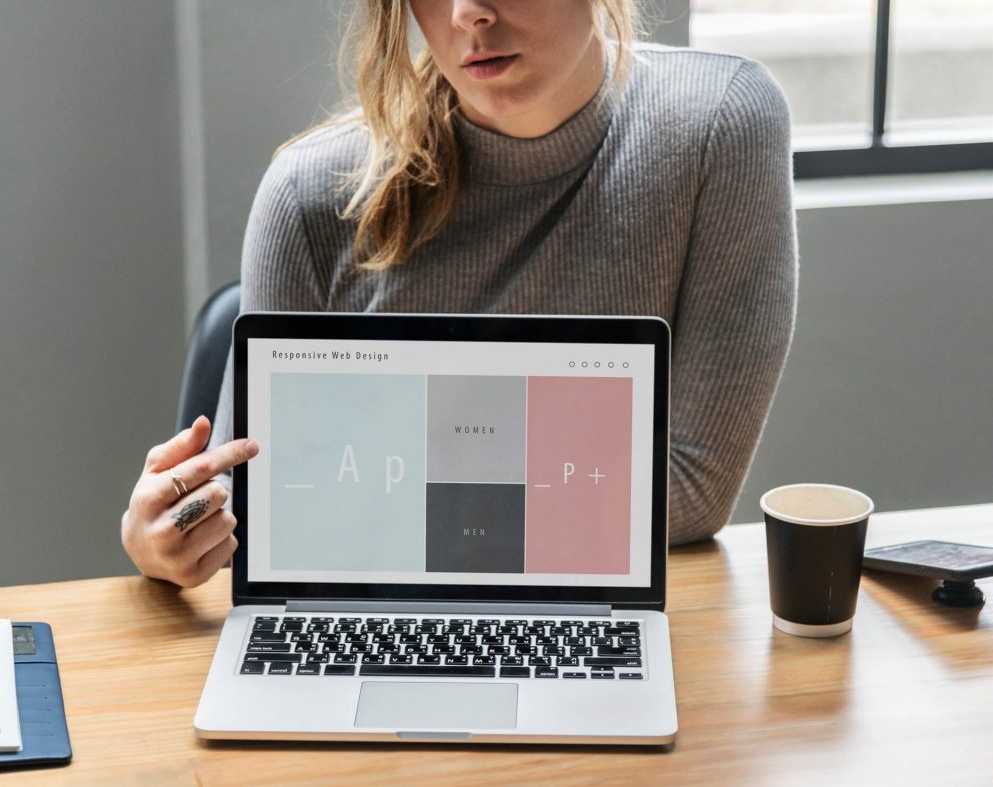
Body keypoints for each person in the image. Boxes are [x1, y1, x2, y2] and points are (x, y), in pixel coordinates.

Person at [122, 0, 797, 588]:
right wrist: (164, 533)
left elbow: (688, 489)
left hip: (590, 616)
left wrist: (371, 494)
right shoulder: (310, 195)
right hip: (373, 620)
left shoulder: (718, 129)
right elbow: (263, 510)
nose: (466, 12)